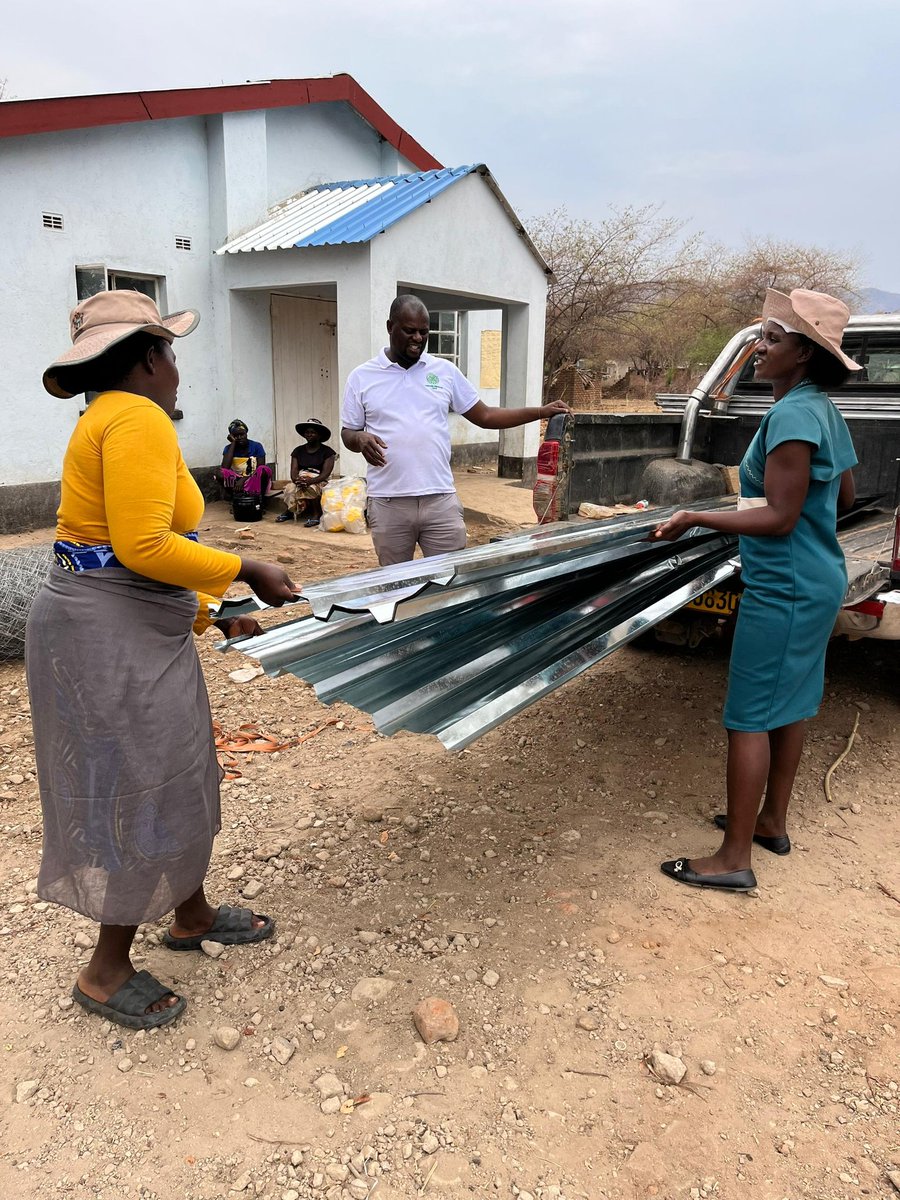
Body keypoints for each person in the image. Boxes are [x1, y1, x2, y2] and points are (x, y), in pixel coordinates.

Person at [29, 290, 297, 1029]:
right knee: (138, 783)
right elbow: (144, 548)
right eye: (171, 352)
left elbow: (127, 551)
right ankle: (106, 970)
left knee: (177, 766)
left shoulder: (111, 417)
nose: (178, 368)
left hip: (124, 623)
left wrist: (211, 616)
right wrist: (246, 568)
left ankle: (191, 913)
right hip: (106, 636)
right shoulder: (136, 417)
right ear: (149, 358)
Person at [651, 288, 859, 892]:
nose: (758, 348)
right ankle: (770, 822)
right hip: (817, 578)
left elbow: (779, 518)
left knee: (748, 717)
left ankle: (733, 858)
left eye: (771, 339)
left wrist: (696, 517)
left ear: (801, 354)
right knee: (791, 705)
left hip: (785, 586)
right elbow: (842, 497)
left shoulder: (793, 414)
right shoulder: (820, 407)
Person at [341, 294, 570, 565]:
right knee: (396, 587)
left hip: (440, 501)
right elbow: (348, 433)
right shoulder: (362, 376)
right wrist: (360, 438)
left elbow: (485, 415)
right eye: (409, 331)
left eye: (424, 332)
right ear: (390, 327)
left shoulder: (444, 372)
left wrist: (541, 412)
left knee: (451, 581)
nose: (418, 338)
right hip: (389, 502)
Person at [276, 417, 336, 526]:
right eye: (307, 432)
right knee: (290, 488)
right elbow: (293, 471)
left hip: (319, 480)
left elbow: (325, 474)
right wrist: (297, 480)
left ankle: (316, 514)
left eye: (313, 432)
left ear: (319, 435)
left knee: (312, 488)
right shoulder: (297, 451)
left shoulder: (328, 452)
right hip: (301, 478)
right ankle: (290, 511)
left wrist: (311, 481)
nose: (309, 434)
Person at [220, 419, 273, 497]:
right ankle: (236, 496)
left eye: (242, 434)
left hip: (254, 479)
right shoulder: (228, 448)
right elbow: (225, 468)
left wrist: (244, 479)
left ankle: (259, 498)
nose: (239, 437)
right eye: (235, 436)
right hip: (236, 481)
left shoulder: (256, 446)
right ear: (231, 436)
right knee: (219, 473)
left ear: (246, 433)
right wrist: (233, 443)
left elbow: (261, 468)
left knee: (264, 469)